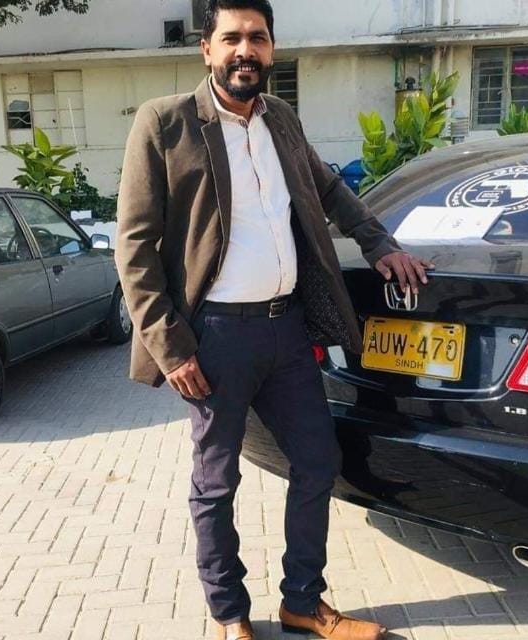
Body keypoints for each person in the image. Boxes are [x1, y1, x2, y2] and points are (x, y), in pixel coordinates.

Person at [115, 1, 431, 638]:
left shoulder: (280, 117)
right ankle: (229, 614)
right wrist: (170, 347)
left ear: (271, 49)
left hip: (286, 331)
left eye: (257, 38)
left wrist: (380, 244)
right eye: (231, 37)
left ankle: (303, 601)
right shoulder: (166, 122)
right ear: (207, 49)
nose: (245, 50)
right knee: (216, 482)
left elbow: (331, 189)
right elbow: (134, 244)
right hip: (213, 339)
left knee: (317, 461)